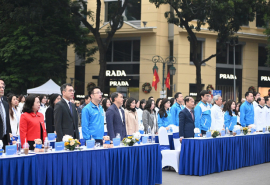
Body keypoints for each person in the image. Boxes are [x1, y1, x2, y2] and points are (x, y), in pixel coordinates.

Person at [0, 78, 11, 147]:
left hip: (5, 139)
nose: (2, 89)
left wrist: (9, 136)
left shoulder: (5, 104)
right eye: (0, 87)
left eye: (3, 87)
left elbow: (7, 121)